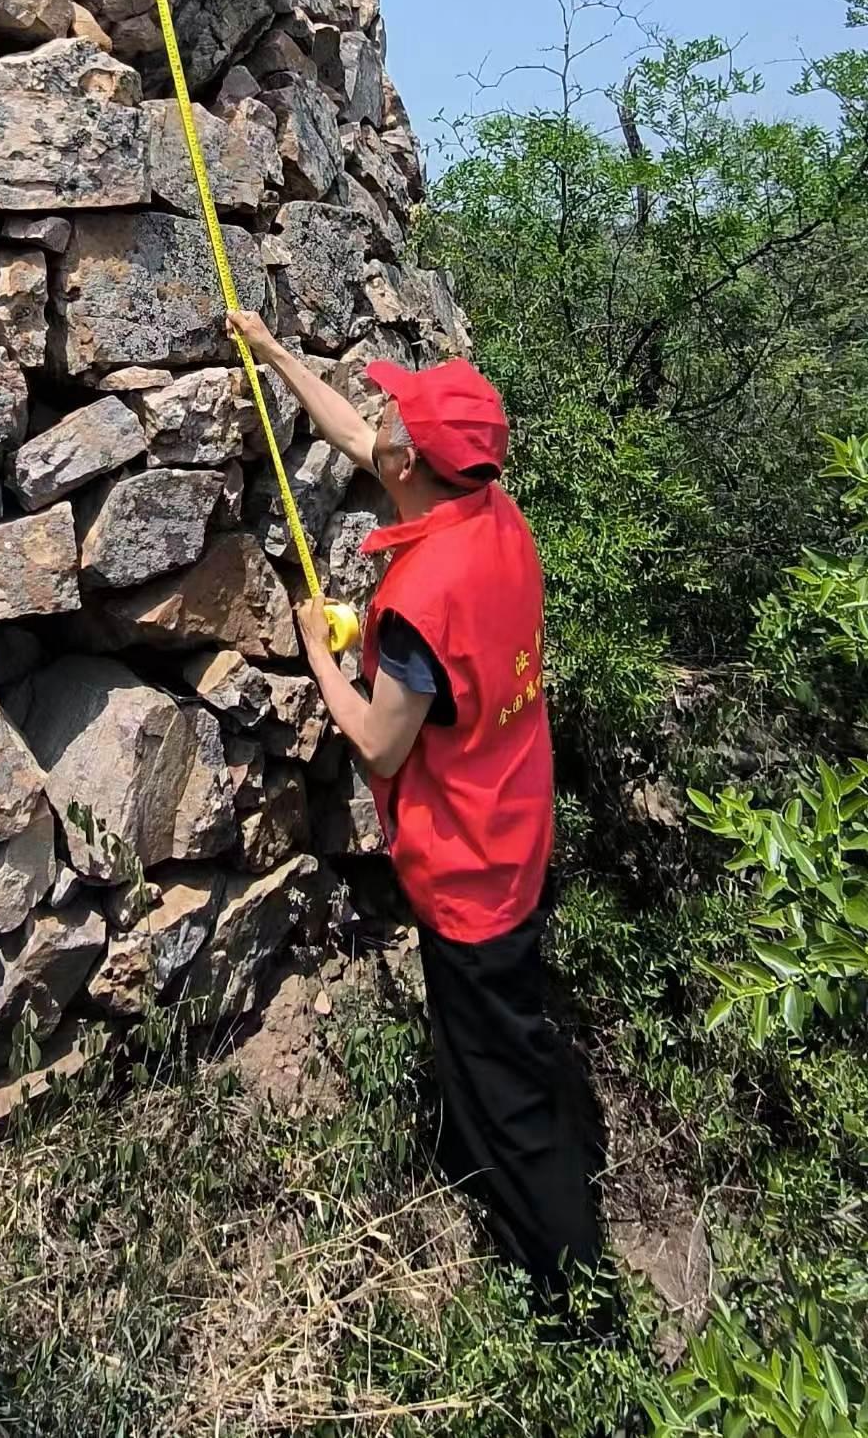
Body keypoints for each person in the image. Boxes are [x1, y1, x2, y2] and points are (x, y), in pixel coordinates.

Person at [227, 311, 605, 1304]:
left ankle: (573, 1298)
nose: (380, 419)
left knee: (499, 1092)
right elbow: (358, 438)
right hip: (517, 822)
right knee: (516, 1030)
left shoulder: (420, 599)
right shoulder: (492, 516)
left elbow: (380, 741)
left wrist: (319, 653)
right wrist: (269, 350)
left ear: (409, 461)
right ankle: (556, 1157)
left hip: (466, 868)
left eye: (394, 414)